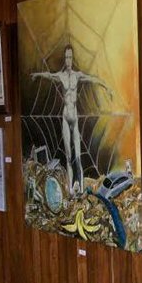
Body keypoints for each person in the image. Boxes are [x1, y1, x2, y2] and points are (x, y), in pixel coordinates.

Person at [32, 44, 112, 193]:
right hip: (65, 116)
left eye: (70, 57)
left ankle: (80, 190)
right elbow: (49, 75)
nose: (68, 60)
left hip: (74, 116)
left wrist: (106, 86)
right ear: (64, 59)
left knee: (78, 157)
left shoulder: (77, 75)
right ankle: (70, 191)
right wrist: (37, 75)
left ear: (72, 58)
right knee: (68, 156)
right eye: (66, 57)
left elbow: (92, 79)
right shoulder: (61, 76)